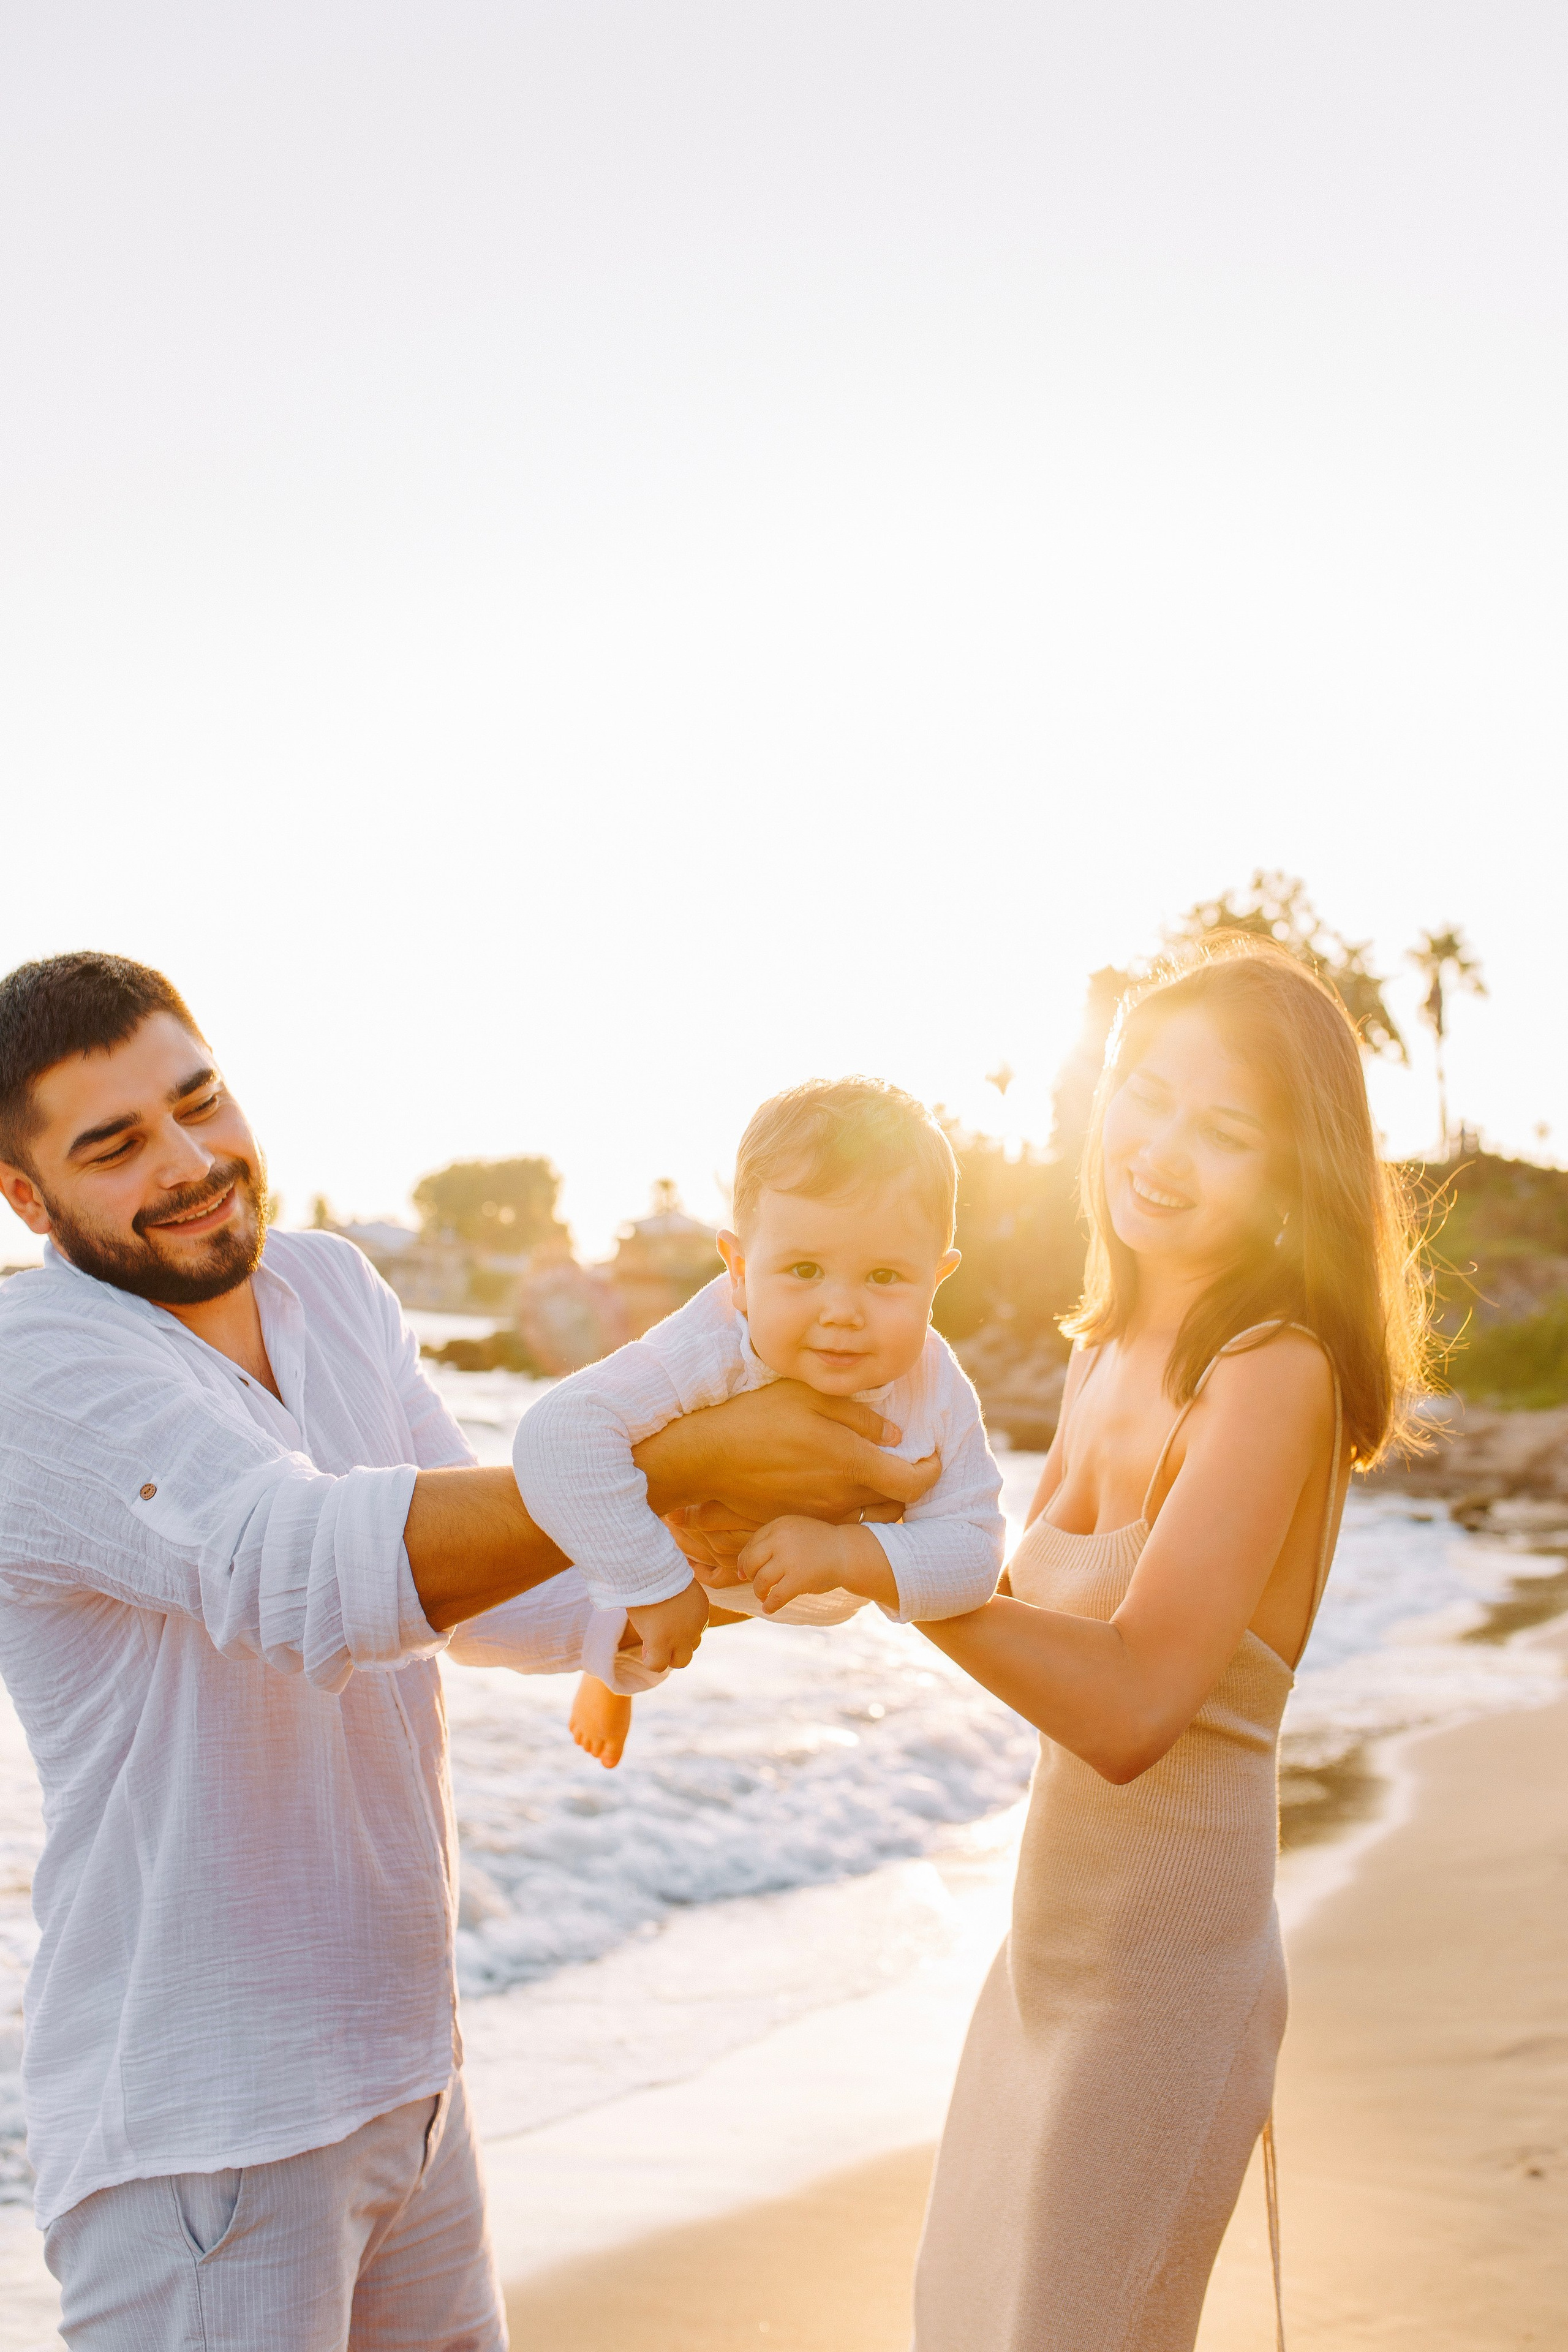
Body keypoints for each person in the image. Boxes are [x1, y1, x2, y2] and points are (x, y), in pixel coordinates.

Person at [0, 952, 938, 2352]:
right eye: (116, 1142)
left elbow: (484, 1587)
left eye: (201, 1102)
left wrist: (763, 1547)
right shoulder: (34, 1359)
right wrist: (672, 1453)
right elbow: (305, 1568)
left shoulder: (327, 1285)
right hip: (204, 2132)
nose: (193, 1160)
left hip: (408, 2074)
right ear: (28, 1196)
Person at [910, 939, 1429, 2352]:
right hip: (1038, 1964)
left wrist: (885, 1573)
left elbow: (1135, 1701)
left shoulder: (1271, 1366)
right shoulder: (1099, 1348)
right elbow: (1004, 1615)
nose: (1158, 1147)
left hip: (1161, 1994)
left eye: (1223, 1128)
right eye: (1143, 1093)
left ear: (1290, 1168)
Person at [515, 1079, 1004, 1769]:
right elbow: (556, 1437)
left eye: (885, 1276)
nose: (842, 1309)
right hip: (688, 1558)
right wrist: (653, 1586)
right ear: (741, 1271)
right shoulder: (710, 1343)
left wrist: (842, 1556)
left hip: (833, 1579)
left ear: (937, 1277)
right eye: (804, 1269)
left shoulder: (935, 1383)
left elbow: (976, 1557)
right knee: (609, 1558)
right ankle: (611, 1661)